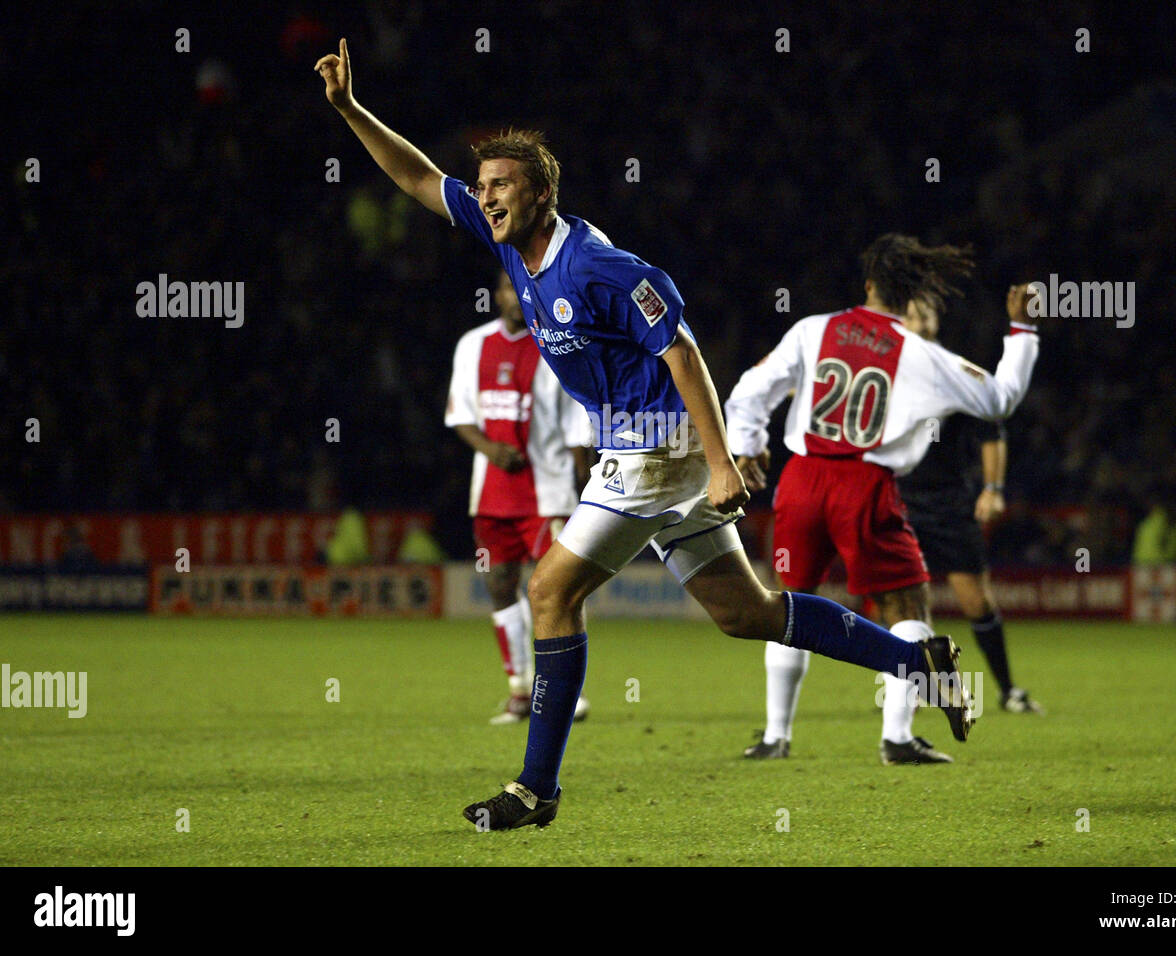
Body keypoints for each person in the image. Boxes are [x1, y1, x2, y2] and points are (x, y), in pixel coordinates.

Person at [316, 41, 972, 830]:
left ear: (543, 191)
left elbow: (685, 353)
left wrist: (723, 462)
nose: (485, 198)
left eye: (503, 186)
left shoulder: (602, 267)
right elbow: (422, 179)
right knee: (746, 613)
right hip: (651, 454)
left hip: (656, 454)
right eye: (483, 187)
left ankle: (536, 790)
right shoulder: (507, 242)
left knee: (550, 592)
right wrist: (352, 110)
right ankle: (917, 659)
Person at [725, 237, 1039, 765]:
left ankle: (775, 736)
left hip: (801, 482)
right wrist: (1024, 330)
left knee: (788, 603)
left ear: (867, 284)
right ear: (913, 292)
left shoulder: (812, 329)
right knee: (907, 606)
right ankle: (896, 737)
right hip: (864, 485)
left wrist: (748, 446)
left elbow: (750, 389)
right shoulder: (920, 354)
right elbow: (999, 399)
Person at [445, 270, 592, 724]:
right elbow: (459, 413)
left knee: (557, 591)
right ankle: (518, 691)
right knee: (499, 584)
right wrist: (491, 450)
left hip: (547, 494)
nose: (517, 296)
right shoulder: (473, 345)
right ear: (497, 295)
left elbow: (574, 424)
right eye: (510, 288)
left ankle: (564, 693)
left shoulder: (554, 345)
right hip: (491, 495)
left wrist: (586, 485)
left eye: (523, 290)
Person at [894, 298, 1044, 716]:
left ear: (937, 320)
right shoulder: (886, 372)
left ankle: (1007, 689)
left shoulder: (955, 372)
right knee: (903, 601)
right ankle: (907, 691)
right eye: (909, 314)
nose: (918, 322)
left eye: (925, 314)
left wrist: (993, 488)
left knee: (976, 600)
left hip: (948, 501)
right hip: (896, 500)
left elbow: (992, 431)